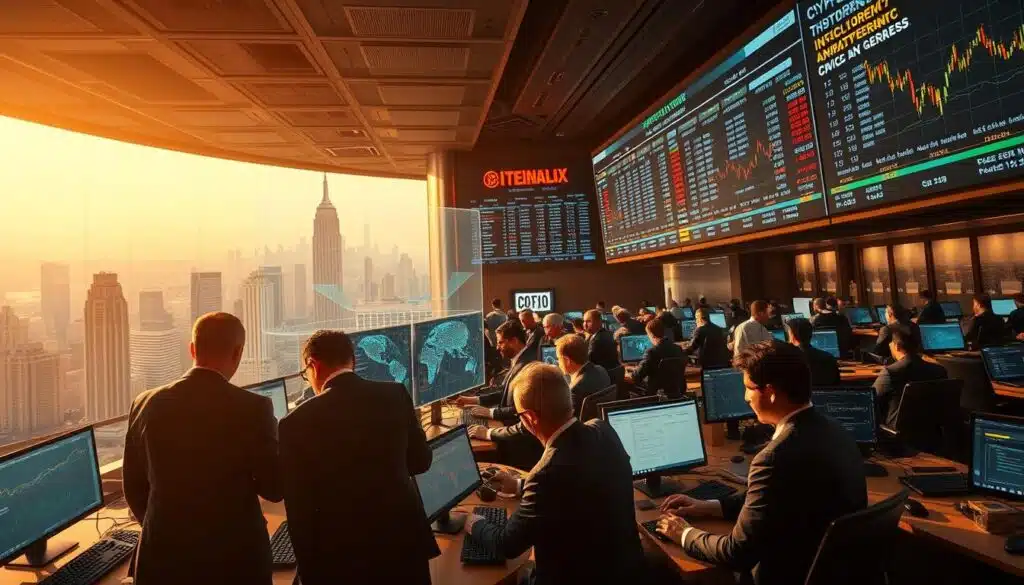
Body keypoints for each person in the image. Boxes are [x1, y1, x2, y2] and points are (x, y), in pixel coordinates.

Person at [656, 341, 867, 585]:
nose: (745, 397)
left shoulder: (774, 458)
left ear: (770, 392)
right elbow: (770, 503)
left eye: (748, 388)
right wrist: (708, 506)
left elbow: (737, 553)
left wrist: (684, 534)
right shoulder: (836, 430)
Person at [123, 313, 282, 585]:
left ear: (192, 348)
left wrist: (163, 528)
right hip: (235, 563)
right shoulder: (254, 408)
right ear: (238, 352)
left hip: (162, 560)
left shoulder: (145, 402)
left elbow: (134, 488)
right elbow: (274, 488)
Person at [463, 364, 645, 585]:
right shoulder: (603, 430)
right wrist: (520, 485)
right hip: (628, 572)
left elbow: (507, 545)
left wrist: (474, 522)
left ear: (530, 418)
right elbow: (579, 489)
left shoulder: (544, 475)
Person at [279, 330, 436, 585]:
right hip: (403, 546)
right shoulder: (395, 394)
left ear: (313, 365)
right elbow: (421, 461)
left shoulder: (294, 423)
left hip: (342, 560)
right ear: (351, 360)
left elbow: (300, 514)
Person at [457, 320, 537, 424]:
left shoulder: (527, 366)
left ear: (514, 341)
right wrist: (472, 400)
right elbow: (504, 393)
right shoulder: (519, 360)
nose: (497, 347)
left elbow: (520, 409)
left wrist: (490, 413)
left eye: (500, 342)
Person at [873, 324, 948, 428]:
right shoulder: (940, 370)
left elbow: (870, 401)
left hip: (896, 433)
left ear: (897, 346)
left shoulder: (890, 372)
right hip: (931, 431)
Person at [554, 334, 611, 418]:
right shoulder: (602, 370)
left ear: (567, 360)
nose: (557, 362)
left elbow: (567, 421)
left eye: (558, 358)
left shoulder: (575, 390)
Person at [632, 317, 685, 397]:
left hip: (656, 394)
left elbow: (637, 376)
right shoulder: (678, 348)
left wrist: (632, 371)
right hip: (677, 390)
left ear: (651, 335)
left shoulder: (651, 352)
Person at [786, 317, 840, 386]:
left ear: (792, 336)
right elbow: (837, 384)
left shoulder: (787, 361)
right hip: (827, 396)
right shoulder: (829, 358)